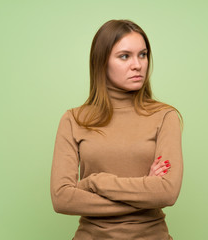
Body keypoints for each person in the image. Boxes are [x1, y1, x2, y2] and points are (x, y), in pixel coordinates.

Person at [50, 19, 183, 240]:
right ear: (102, 62)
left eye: (143, 54)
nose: (138, 65)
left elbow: (167, 193)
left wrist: (95, 182)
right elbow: (62, 198)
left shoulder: (165, 116)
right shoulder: (73, 120)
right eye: (124, 56)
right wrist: (145, 193)